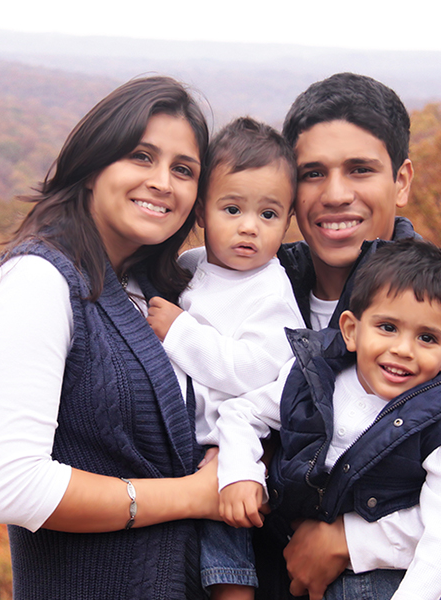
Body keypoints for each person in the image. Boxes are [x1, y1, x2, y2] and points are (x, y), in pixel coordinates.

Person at [255, 72, 441, 600]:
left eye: (360, 170)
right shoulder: (261, 297)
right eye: (313, 173)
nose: (336, 193)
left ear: (402, 180)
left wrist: (353, 541)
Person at [0, 76, 221, 599]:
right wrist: (194, 496)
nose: (162, 182)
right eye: (140, 156)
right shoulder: (36, 283)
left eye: (183, 170)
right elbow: (13, 488)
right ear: (91, 168)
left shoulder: (159, 289)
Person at [267, 238, 441, 600]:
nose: (403, 349)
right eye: (388, 327)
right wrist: (240, 470)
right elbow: (244, 411)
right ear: (352, 330)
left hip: (402, 584)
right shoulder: (315, 379)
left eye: (426, 337)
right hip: (306, 571)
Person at [147, 116, 305, 600]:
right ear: (200, 212)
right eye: (232, 209)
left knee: (226, 557)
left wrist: (180, 334)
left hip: (226, 450)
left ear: (288, 219)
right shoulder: (192, 268)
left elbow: (251, 370)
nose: (248, 228)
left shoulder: (271, 292)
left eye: (269, 215)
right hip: (171, 447)